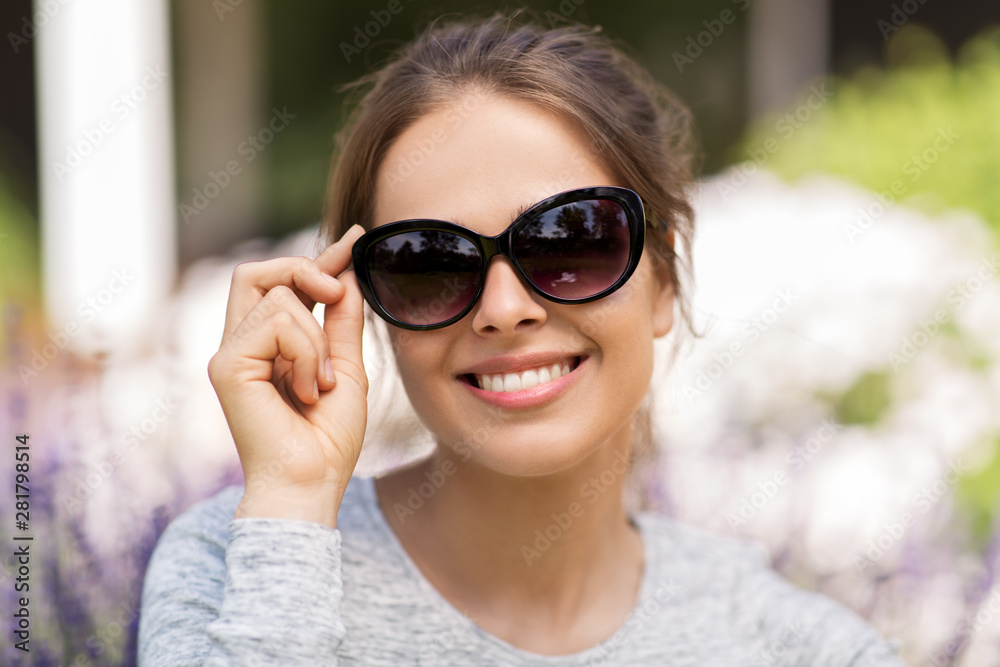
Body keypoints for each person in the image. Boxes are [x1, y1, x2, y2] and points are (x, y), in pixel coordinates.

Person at [138, 12, 905, 666]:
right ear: (366, 304)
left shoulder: (799, 649)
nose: (504, 309)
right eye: (429, 261)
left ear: (664, 279)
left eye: (571, 242)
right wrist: (294, 498)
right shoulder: (237, 569)